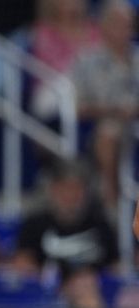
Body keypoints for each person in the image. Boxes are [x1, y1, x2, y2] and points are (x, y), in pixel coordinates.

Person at [69, 0, 139, 207]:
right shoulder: (86, 61)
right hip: (100, 128)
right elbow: (77, 108)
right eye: (116, 23)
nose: (122, 30)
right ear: (103, 26)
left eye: (127, 24)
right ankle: (111, 202)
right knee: (110, 130)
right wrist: (113, 110)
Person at [12, 160, 118, 280]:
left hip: (94, 289)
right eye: (65, 189)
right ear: (53, 190)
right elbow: (22, 263)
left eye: (77, 189)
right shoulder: (34, 225)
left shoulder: (101, 226)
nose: (71, 196)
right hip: (47, 293)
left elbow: (116, 268)